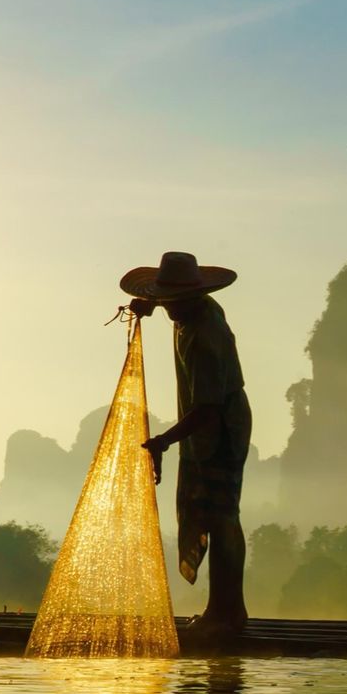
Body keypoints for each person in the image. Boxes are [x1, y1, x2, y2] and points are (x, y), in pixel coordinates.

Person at [119, 251, 252, 638]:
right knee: (212, 510)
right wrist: (150, 305)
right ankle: (224, 611)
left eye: (174, 302)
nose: (170, 309)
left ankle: (226, 613)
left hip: (221, 426)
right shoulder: (196, 308)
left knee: (221, 514)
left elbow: (207, 412)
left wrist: (164, 441)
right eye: (166, 301)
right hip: (209, 419)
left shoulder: (205, 337)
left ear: (193, 298)